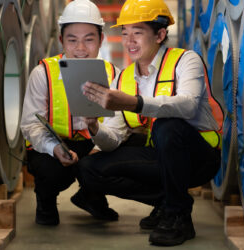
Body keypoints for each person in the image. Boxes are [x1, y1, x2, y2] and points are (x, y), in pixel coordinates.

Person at [77, 0, 223, 246]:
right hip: (158, 156)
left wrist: (135, 103)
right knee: (88, 168)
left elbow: (187, 105)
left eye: (137, 32)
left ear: (160, 34)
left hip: (198, 157)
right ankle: (166, 202)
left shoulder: (186, 61)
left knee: (168, 126)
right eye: (124, 33)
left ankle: (179, 216)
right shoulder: (123, 79)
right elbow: (112, 141)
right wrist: (94, 127)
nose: (129, 41)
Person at [20, 0, 120, 226]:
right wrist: (54, 148)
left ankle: (91, 197)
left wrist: (97, 150)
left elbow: (119, 127)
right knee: (50, 170)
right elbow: (30, 125)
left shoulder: (113, 74)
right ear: (61, 40)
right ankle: (45, 202)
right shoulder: (43, 73)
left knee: (116, 160)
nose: (81, 49)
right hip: (54, 145)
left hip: (94, 143)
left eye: (89, 39)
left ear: (101, 40)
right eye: (72, 40)